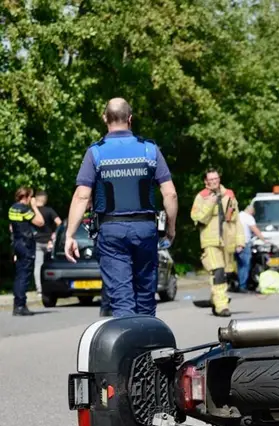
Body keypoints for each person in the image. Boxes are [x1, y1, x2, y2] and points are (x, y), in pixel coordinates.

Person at [64, 97, 178, 318]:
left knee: (122, 298)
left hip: (111, 231)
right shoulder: (149, 150)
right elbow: (170, 193)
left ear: (105, 118)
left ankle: (130, 349)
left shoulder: (96, 153)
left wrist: (70, 234)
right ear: (130, 119)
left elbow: (81, 196)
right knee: (146, 296)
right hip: (145, 229)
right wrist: (171, 228)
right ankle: (149, 347)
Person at [190, 169, 246, 316]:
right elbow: (197, 218)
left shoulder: (229, 195)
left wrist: (240, 241)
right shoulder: (201, 197)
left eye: (216, 179)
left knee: (225, 273)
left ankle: (215, 299)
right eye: (211, 179)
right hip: (210, 240)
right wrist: (210, 203)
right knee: (218, 271)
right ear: (206, 182)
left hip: (227, 240)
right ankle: (222, 306)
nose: (214, 181)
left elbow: (236, 219)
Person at [9, 187, 46, 316]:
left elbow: (11, 228)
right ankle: (20, 306)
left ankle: (17, 304)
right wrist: (35, 207)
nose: (32, 199)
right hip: (26, 245)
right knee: (24, 276)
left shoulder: (12, 208)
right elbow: (40, 222)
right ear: (26, 197)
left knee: (19, 275)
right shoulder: (24, 209)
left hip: (17, 244)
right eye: (31, 197)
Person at [32, 190, 62, 295]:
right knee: (52, 265)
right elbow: (59, 222)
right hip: (50, 241)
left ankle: (40, 289)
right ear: (45, 199)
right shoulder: (49, 210)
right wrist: (55, 233)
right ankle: (53, 286)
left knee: (38, 266)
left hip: (36, 241)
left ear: (36, 199)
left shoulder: (31, 211)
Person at [235, 204, 265, 293]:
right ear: (251, 211)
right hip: (244, 243)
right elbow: (255, 230)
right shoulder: (249, 217)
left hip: (236, 242)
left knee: (240, 265)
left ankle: (240, 283)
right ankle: (243, 285)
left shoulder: (238, 216)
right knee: (246, 265)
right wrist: (264, 240)